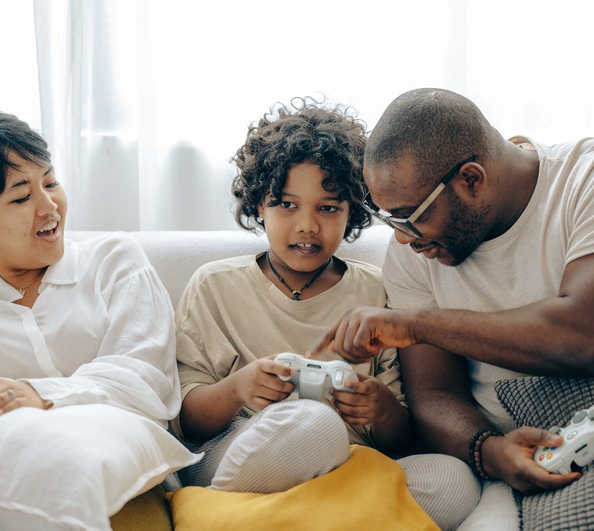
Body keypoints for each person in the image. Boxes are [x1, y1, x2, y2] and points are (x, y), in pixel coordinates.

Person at [311, 88, 594, 493]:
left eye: (411, 217)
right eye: (391, 219)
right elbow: (435, 393)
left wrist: (417, 325)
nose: (404, 239)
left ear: (471, 179)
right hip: (529, 459)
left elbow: (583, 341)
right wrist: (490, 452)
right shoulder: (412, 254)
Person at [173, 97, 479, 529]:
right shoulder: (214, 285)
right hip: (240, 453)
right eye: (286, 204)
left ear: (353, 211)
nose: (307, 225)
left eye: (329, 208)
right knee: (315, 427)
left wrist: (381, 409)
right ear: (258, 205)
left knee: (454, 480)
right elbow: (186, 421)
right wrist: (240, 388)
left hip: (351, 466)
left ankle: (258, 520)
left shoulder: (376, 290)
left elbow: (402, 438)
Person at [0, 112, 186, 526]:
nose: (50, 206)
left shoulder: (114, 261)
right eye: (21, 197)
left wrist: (36, 393)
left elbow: (144, 380)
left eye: (50, 183)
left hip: (118, 464)